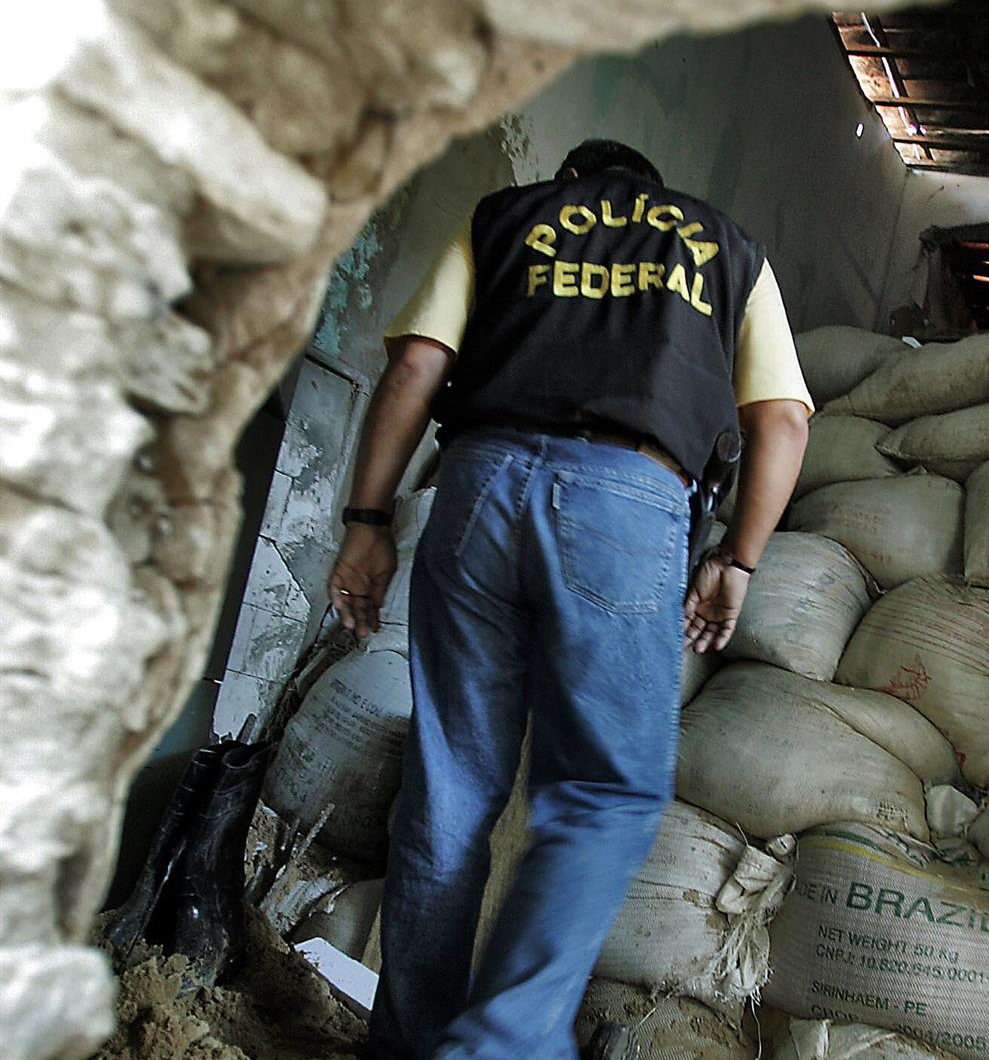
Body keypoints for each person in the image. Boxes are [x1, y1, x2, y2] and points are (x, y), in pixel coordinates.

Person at [327, 139, 812, 1060]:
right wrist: (737, 562)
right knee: (603, 791)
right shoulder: (726, 247)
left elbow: (412, 371)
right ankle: (501, 1044)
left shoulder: (505, 218)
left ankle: (410, 1047)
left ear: (572, 187)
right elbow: (782, 420)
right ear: (653, 195)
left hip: (477, 487)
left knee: (450, 788)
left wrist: (367, 520)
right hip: (627, 507)